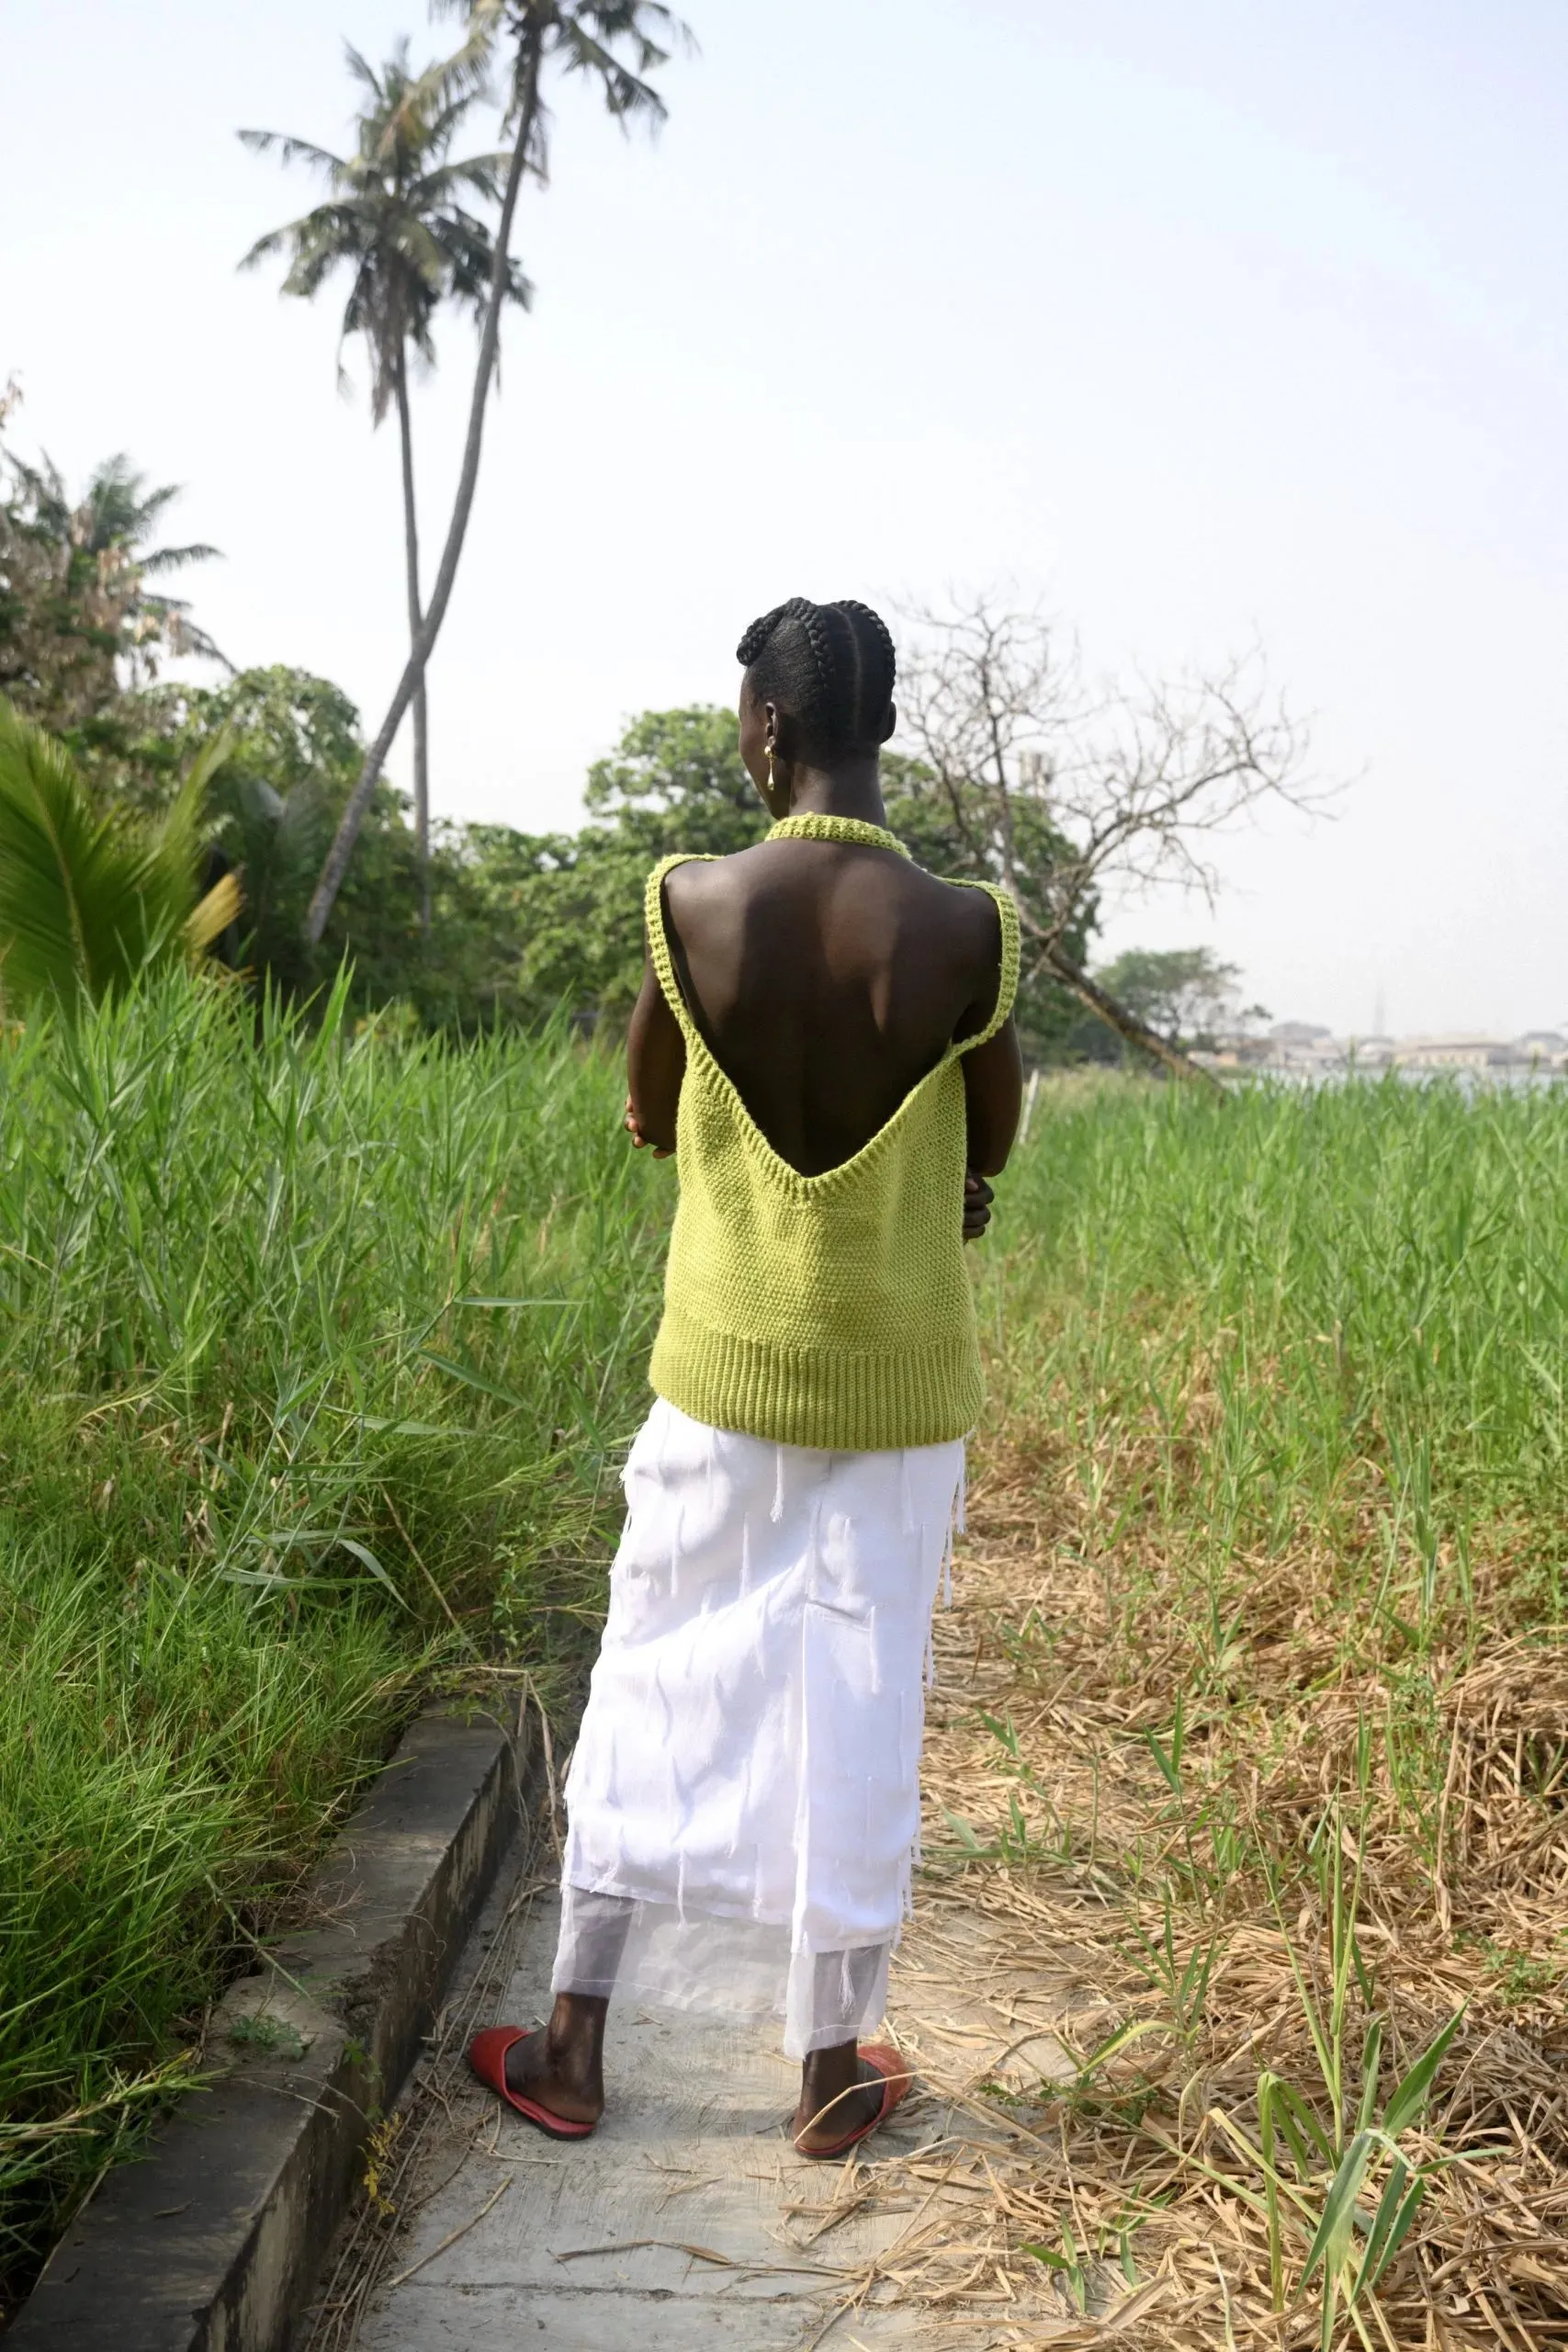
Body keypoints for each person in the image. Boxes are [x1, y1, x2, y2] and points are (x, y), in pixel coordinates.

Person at [469, 596, 1021, 2158]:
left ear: (765, 734)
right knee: (861, 1694)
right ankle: (830, 2064)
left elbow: (647, 1104)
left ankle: (572, 2045)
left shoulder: (688, 902)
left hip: (722, 1368)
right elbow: (989, 1133)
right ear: (884, 730)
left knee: (656, 1669)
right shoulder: (966, 926)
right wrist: (951, 1191)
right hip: (900, 1384)